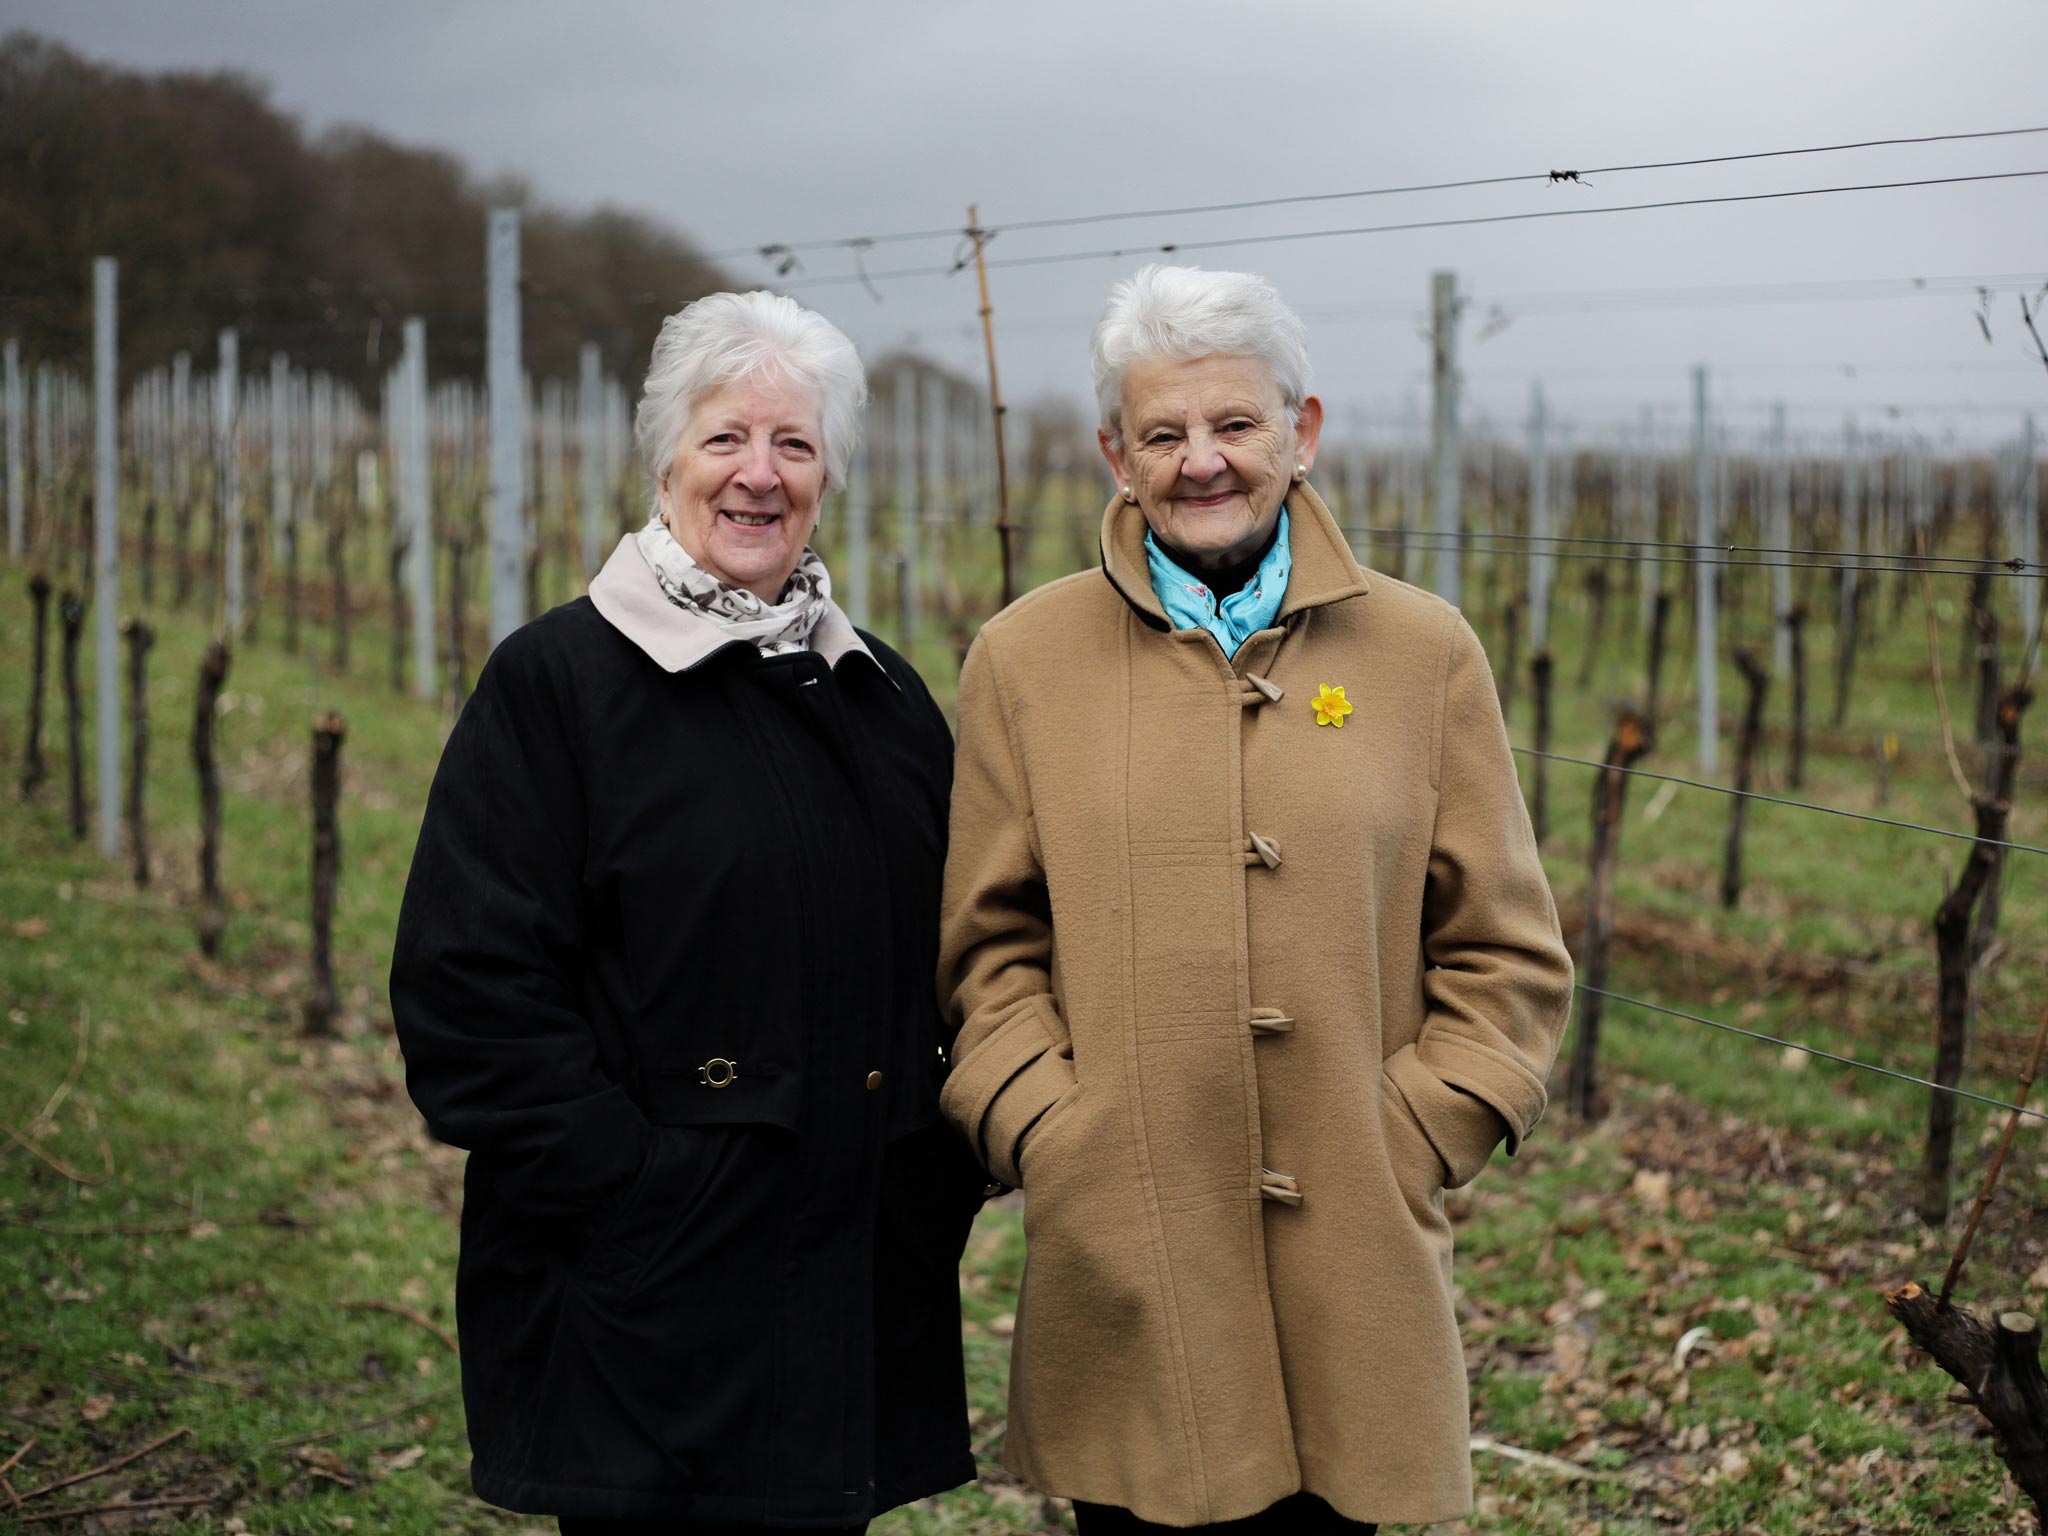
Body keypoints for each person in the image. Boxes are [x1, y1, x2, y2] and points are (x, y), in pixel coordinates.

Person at [938, 265, 1574, 1534]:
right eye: (1162, 434)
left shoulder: (1421, 653)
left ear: (1303, 431)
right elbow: (985, 949)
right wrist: (1052, 1135)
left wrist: (1419, 1131)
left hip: (1359, 1245)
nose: (1202, 461)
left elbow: (1505, 952)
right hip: (1126, 1249)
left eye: (1234, 424)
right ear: (1115, 456)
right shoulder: (1023, 661)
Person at [390, 291, 984, 1534]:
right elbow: (470, 995)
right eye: (725, 439)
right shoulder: (556, 685)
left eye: (794, 445)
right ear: (664, 456)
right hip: (645, 1305)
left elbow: (959, 954)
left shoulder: (878, 693)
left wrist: (941, 1169)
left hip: (851, 1293)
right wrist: (642, 1190)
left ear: (829, 477)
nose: (757, 476)